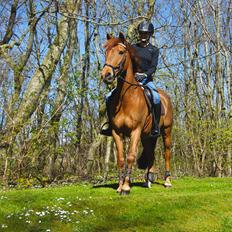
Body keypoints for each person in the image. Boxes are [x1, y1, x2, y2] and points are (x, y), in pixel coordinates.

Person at [100, 21, 161, 137]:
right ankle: (110, 126)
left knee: (156, 98)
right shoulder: (133, 47)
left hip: (146, 80)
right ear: (139, 34)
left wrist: (145, 75)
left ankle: (155, 127)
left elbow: (153, 67)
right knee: (108, 97)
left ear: (150, 35)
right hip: (131, 79)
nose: (144, 36)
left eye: (146, 34)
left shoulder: (154, 50)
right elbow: (125, 62)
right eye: (142, 33)